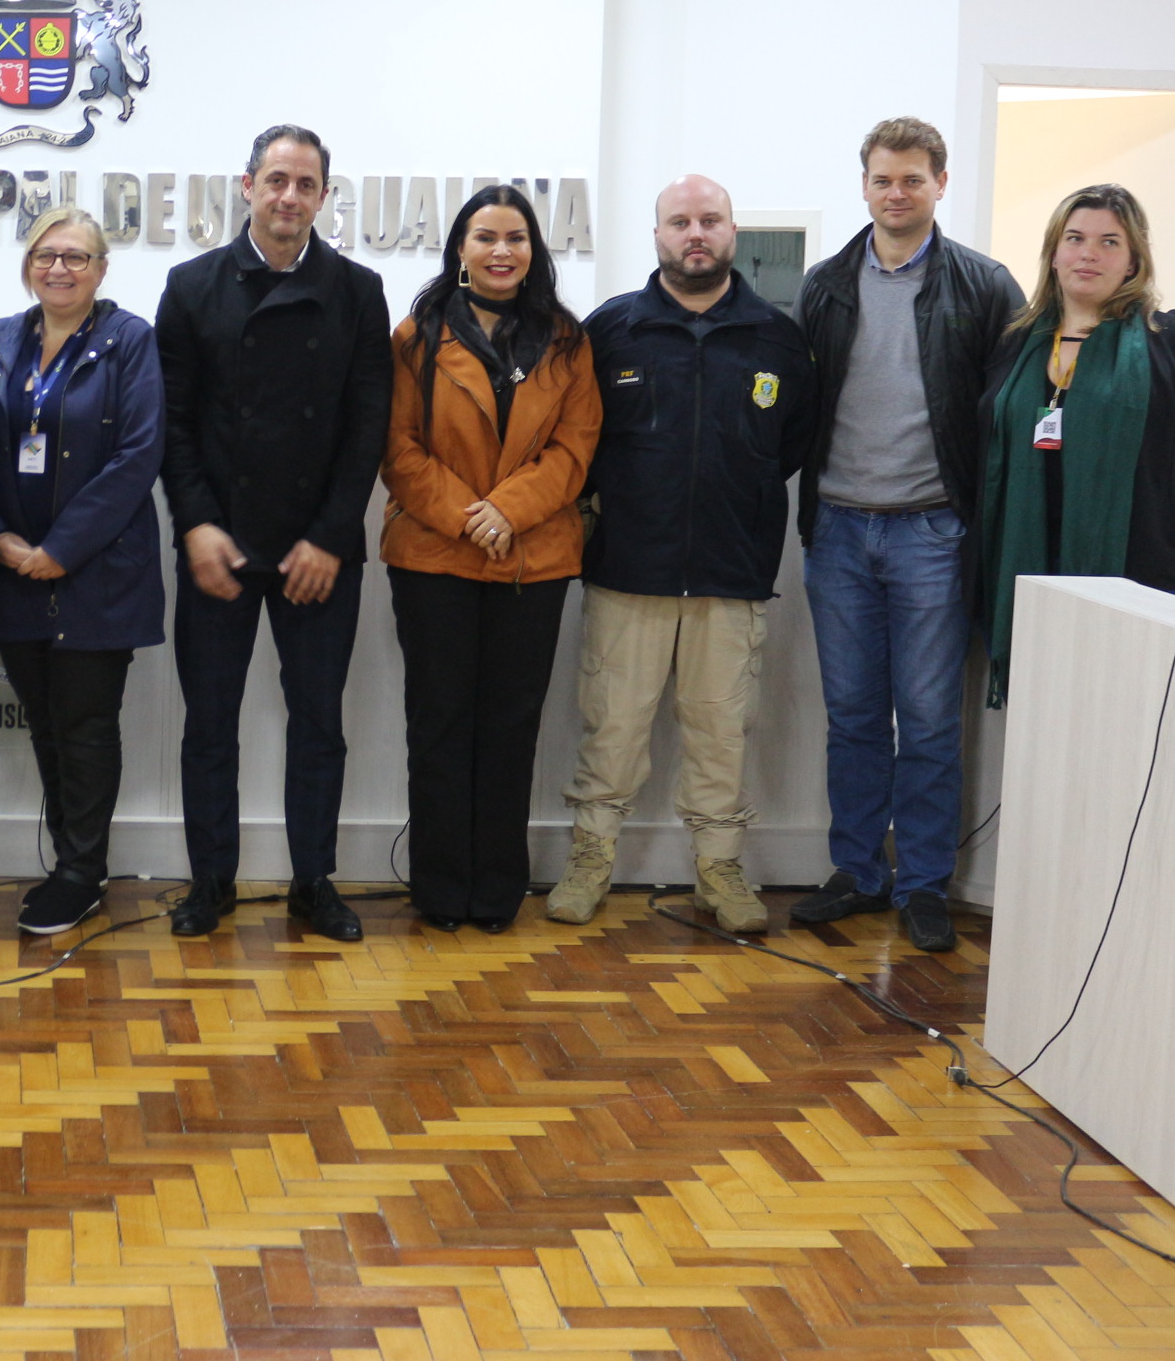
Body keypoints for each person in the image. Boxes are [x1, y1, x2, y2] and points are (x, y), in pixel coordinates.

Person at [545, 176, 817, 934]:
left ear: (733, 231)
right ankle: (590, 859)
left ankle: (719, 869)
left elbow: (791, 445)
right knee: (613, 727)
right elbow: (579, 443)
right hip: (629, 569)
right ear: (656, 234)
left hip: (732, 575)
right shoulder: (611, 332)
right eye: (679, 222)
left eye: (710, 220)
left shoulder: (777, 338)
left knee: (721, 731)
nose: (695, 233)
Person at [794, 116, 1024, 955]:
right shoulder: (824, 286)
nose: (897, 193)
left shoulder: (985, 287)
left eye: (913, 180)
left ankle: (924, 882)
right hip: (839, 532)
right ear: (864, 186)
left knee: (928, 719)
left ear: (940, 185)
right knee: (853, 716)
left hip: (933, 531)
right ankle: (859, 871)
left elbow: (1007, 418)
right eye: (884, 179)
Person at [155, 125, 391, 941]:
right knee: (208, 725)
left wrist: (330, 537)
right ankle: (209, 882)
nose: (289, 196)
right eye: (276, 179)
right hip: (218, 544)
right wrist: (195, 527)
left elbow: (369, 430)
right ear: (247, 184)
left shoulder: (359, 292)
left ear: (324, 196)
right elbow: (173, 427)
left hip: (318, 551)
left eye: (306, 184)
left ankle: (313, 882)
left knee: (319, 723)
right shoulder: (190, 287)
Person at [382, 185, 599, 932]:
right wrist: (470, 518)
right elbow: (398, 448)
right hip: (434, 557)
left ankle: (498, 886)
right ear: (460, 250)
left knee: (511, 726)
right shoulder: (417, 335)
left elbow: (577, 448)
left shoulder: (567, 340)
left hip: (532, 561)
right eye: (485, 236)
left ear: (534, 250)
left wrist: (508, 510)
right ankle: (440, 888)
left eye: (516, 237)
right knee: (439, 724)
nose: (501, 250)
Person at [979, 183, 1175, 697]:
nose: (1089, 253)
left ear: (1132, 261)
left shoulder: (1174, 343)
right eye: (1075, 238)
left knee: (1150, 737)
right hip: (1036, 576)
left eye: (1110, 242)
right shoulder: (1015, 344)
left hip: (1152, 581)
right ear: (1054, 253)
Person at [0, 207, 164, 935]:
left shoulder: (130, 342)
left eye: (77, 258)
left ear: (102, 269)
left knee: (86, 725)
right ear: (28, 263)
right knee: (46, 726)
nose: (59, 269)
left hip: (96, 571)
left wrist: (61, 548)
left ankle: (82, 872)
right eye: (47, 255)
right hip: (12, 568)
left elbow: (138, 456)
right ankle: (69, 860)